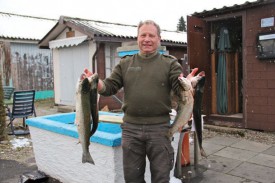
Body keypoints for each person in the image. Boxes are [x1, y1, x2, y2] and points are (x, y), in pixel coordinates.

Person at [83, 20, 198, 183]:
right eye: (143, 35)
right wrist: (95, 82)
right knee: (132, 178)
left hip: (160, 130)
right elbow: (109, 87)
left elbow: (178, 86)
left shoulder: (170, 63)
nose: (147, 39)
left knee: (161, 177)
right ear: (137, 38)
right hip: (131, 129)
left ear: (159, 39)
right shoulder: (125, 63)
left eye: (151, 35)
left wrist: (188, 83)